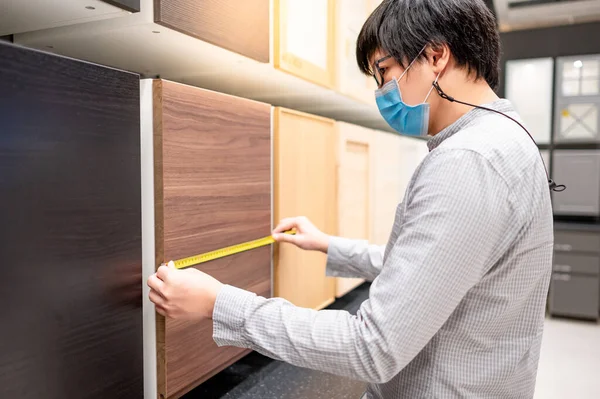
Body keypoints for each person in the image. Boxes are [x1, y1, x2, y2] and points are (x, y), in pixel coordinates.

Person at [147, 0, 555, 397]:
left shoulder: (467, 162)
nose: (381, 93)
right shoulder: (507, 137)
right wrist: (329, 246)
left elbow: (372, 347)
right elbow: (437, 273)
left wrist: (218, 303)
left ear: (436, 56)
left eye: (385, 72)